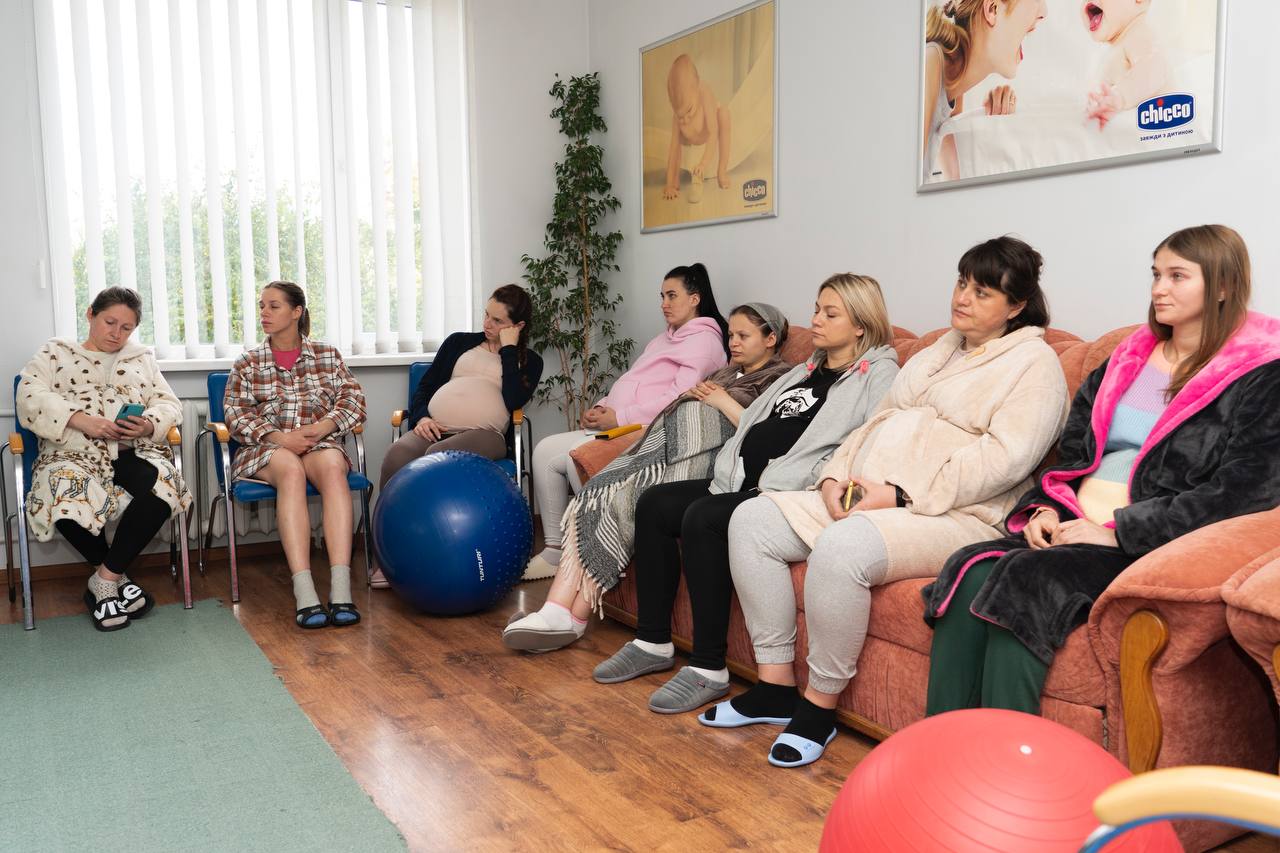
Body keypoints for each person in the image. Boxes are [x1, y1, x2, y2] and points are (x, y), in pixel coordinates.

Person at [719, 236, 1068, 768]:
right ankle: (774, 686)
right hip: (872, 495)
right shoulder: (936, 352)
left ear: (1016, 305)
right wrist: (834, 478)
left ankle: (818, 707)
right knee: (751, 520)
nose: (963, 298)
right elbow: (873, 422)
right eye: (961, 283)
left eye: (982, 292)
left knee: (843, 546)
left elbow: (1005, 460)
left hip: (956, 513)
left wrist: (902, 494)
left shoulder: (1034, 365)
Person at [923, 224, 1280, 717]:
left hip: (1145, 543)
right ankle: (942, 742)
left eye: (1178, 276)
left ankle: (1009, 751)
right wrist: (1045, 509)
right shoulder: (1126, 360)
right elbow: (1073, 456)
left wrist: (1118, 533)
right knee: (968, 569)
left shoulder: (1258, 373)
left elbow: (1243, 493)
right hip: (1073, 523)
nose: (1159, 288)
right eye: (1156, 274)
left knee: (1028, 578)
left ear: (1222, 286)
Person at [592, 275, 901, 717]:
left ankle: (708, 666)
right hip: (740, 479)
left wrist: (813, 475)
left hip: (786, 492)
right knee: (655, 504)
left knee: (704, 518)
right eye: (817, 309)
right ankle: (652, 641)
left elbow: (864, 442)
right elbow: (756, 418)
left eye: (830, 313)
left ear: (860, 325)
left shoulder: (879, 373)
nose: (815, 319)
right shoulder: (805, 368)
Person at [502, 303, 793, 650]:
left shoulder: (781, 379)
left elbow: (761, 432)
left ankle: (574, 617)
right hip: (663, 447)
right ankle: (555, 609)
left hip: (704, 459)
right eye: (731, 334)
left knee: (625, 499)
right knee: (596, 491)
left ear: (770, 339)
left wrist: (719, 401)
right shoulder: (727, 373)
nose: (734, 342)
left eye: (744, 335)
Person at [525, 263, 729, 581]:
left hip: (644, 430)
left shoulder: (704, 343)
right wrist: (602, 406)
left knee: (575, 455)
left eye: (672, 295)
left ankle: (593, 550)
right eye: (662, 296)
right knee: (544, 451)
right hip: (616, 423)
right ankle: (555, 551)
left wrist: (619, 417)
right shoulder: (663, 339)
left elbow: (678, 398)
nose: (664, 303)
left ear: (695, 299)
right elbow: (632, 380)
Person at [17, 287, 192, 631]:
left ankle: (105, 580)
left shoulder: (142, 358)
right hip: (73, 453)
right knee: (62, 487)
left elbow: (169, 404)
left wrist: (148, 424)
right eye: (110, 322)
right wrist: (81, 419)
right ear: (90, 314)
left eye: (126, 327)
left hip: (131, 451)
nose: (116, 333)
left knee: (166, 485)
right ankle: (117, 579)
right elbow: (29, 395)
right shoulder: (55, 352)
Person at [372, 285, 542, 586]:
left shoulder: (528, 360)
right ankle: (386, 558)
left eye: (498, 321)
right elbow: (425, 388)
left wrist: (508, 349)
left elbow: (514, 399)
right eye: (486, 315)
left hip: (484, 435)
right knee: (396, 455)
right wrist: (422, 417)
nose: (487, 324)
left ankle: (431, 552)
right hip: (436, 427)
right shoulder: (458, 343)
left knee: (436, 459)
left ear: (517, 326)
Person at [224, 281, 367, 629]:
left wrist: (323, 427)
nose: (264, 313)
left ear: (296, 312)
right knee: (290, 470)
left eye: (273, 306)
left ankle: (341, 589)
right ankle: (305, 592)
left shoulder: (327, 355)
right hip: (267, 447)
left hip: (318, 442)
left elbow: (353, 400)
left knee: (333, 466)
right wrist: (280, 438)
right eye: (262, 306)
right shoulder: (248, 362)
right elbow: (236, 414)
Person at [922, 0, 1048, 183]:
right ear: (992, 9)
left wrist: (995, 130)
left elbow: (955, 180)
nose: (1044, 12)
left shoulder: (954, 84)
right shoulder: (930, 64)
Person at [1082, 0, 1169, 129]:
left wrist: (1121, 96)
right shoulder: (1120, 43)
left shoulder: (1139, 33)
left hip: (1157, 128)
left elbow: (1155, 70)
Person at [662, 54, 732, 199]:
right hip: (690, 138)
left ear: (697, 88)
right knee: (676, 140)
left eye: (688, 111)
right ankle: (674, 181)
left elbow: (713, 132)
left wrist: (703, 163)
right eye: (679, 115)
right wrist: (668, 184)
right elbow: (673, 148)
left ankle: (722, 171)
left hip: (706, 133)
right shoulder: (679, 114)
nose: (685, 119)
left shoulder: (704, 93)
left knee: (724, 114)